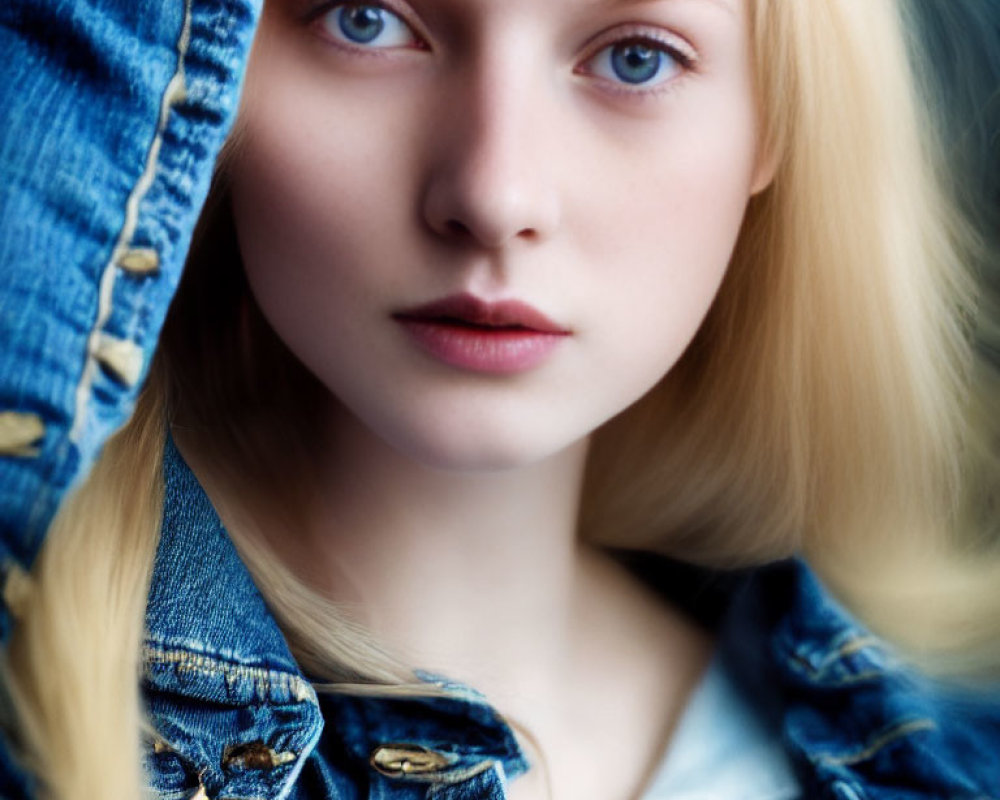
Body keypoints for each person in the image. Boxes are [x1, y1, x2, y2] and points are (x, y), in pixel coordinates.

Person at [0, 1, 998, 799]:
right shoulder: (35, 712)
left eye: (635, 58)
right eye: (365, 20)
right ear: (202, 68)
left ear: (776, 121)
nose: (494, 193)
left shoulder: (945, 755)